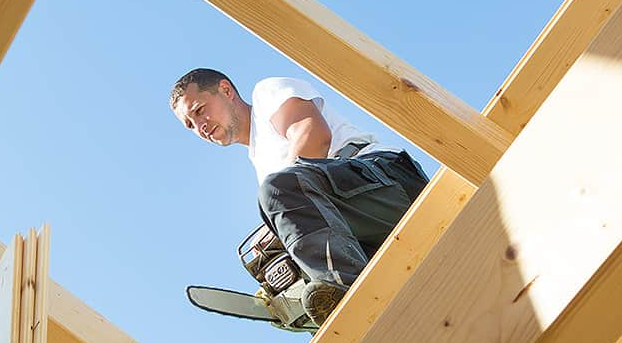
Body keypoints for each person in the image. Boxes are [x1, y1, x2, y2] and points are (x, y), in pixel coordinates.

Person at [168, 68, 428, 324]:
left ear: (226, 90)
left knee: (277, 191)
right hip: (365, 224)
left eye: (200, 110)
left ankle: (347, 298)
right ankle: (330, 307)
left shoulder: (266, 94)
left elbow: (313, 134)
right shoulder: (261, 164)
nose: (200, 126)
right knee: (300, 264)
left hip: (387, 183)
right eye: (190, 125)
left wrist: (280, 227)